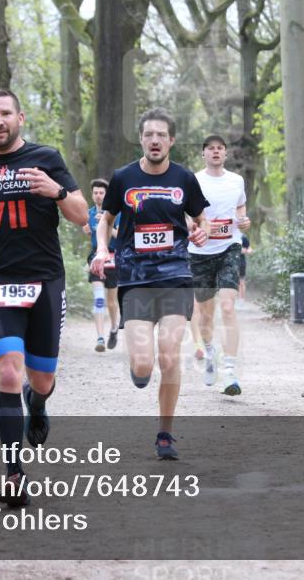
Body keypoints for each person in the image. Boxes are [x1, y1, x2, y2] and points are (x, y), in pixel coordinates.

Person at [0, 88, 87, 506]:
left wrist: (55, 191)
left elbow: (81, 215)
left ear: (20, 118)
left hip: (45, 281)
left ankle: (37, 404)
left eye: (6, 113)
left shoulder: (47, 159)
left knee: (40, 380)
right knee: (7, 372)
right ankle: (13, 472)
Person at [90, 107, 209, 460]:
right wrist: (101, 247)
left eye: (161, 135)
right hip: (136, 280)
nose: (154, 140)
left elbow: (199, 217)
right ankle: (139, 368)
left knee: (170, 357)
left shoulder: (184, 178)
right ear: (141, 139)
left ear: (171, 140)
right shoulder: (123, 177)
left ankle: (165, 435)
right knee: (144, 365)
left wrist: (199, 231)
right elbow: (105, 218)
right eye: (148, 135)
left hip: (175, 276)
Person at [188, 135, 250, 396]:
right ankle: (210, 352)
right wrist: (192, 226)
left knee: (227, 307)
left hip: (229, 248)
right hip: (199, 252)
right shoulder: (193, 180)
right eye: (210, 149)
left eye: (220, 149)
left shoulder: (236, 180)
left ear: (225, 154)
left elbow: (240, 208)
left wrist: (243, 221)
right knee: (204, 314)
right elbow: (183, 211)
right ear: (203, 154)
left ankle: (230, 371)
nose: (215, 152)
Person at [82, 179, 121, 352]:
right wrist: (88, 230)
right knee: (99, 298)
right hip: (96, 256)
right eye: (96, 193)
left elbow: (120, 236)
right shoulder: (88, 213)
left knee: (112, 302)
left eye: (102, 193)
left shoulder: (116, 213)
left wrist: (107, 224)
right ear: (92, 195)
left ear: (106, 195)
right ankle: (99, 338)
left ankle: (113, 329)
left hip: (113, 257)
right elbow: (88, 232)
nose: (98, 196)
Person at [238, 234, 253, 302]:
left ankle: (242, 300)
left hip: (241, 263)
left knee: (241, 282)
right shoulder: (228, 236)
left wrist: (247, 250)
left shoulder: (243, 237)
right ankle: (237, 299)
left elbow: (249, 249)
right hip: (230, 263)